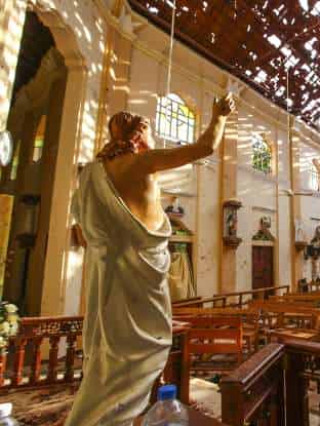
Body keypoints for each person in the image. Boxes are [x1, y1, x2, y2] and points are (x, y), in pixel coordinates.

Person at [65, 94, 235, 425]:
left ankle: (95, 416)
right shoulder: (142, 162)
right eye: (150, 132)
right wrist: (220, 116)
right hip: (142, 279)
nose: (153, 139)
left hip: (109, 280)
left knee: (109, 355)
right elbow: (203, 148)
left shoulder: (91, 174)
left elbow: (82, 229)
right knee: (143, 351)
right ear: (138, 135)